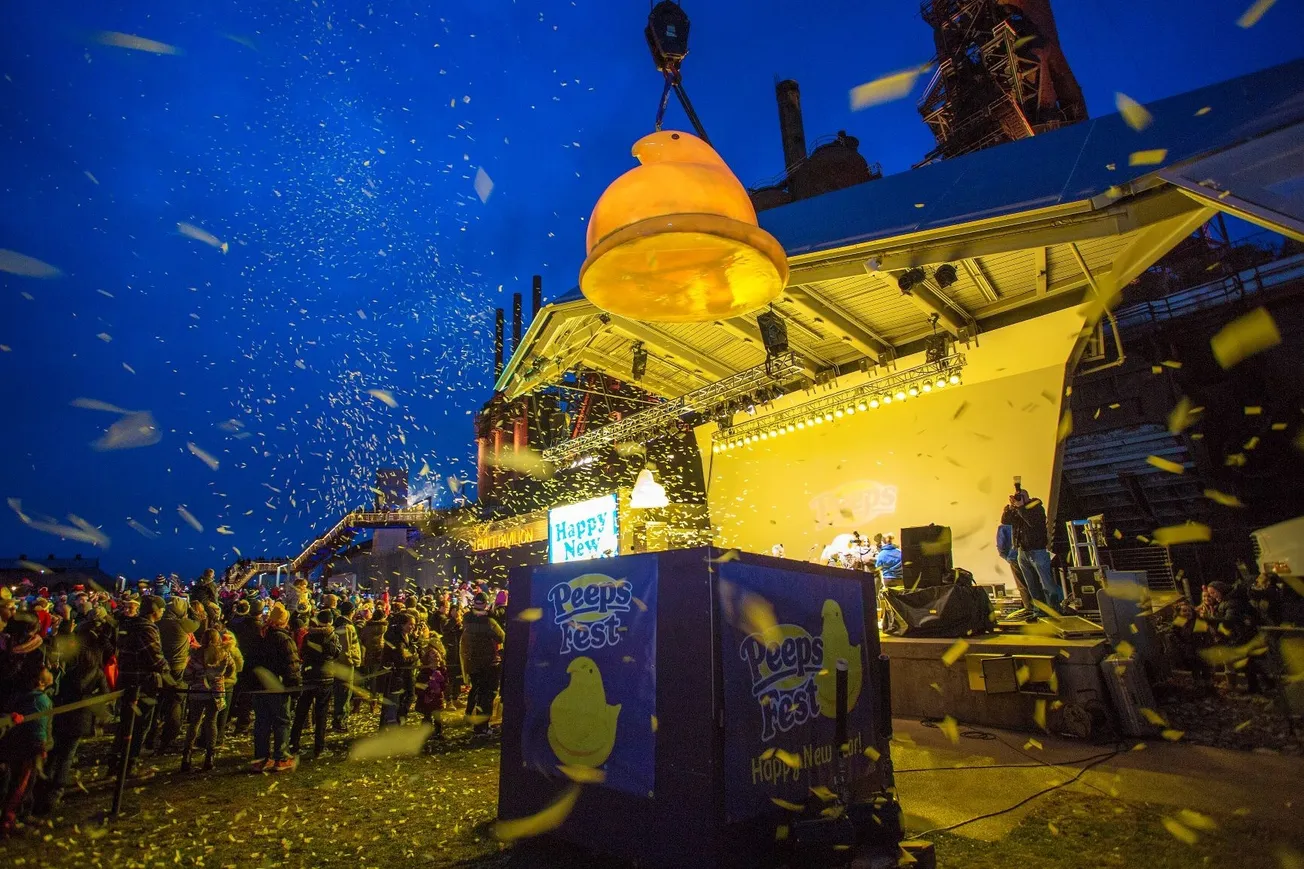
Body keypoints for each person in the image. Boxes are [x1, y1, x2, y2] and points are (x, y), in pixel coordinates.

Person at [114, 595, 170, 772]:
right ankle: (130, 762)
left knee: (126, 722)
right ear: (154, 611)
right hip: (142, 682)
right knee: (138, 725)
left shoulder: (129, 626)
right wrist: (167, 671)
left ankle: (115, 760)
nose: (162, 613)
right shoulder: (147, 629)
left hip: (126, 678)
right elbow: (153, 656)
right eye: (161, 609)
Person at [0, 659, 53, 836]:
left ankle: (21, 813)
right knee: (22, 784)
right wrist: (41, 746)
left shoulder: (21, 696)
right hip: (30, 748)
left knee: (24, 783)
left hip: (19, 745)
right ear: (39, 681)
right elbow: (39, 727)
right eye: (47, 671)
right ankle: (9, 820)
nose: (50, 672)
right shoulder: (40, 701)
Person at [250, 603, 300, 772]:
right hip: (277, 686)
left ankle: (261, 758)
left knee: (262, 722)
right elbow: (291, 665)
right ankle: (281, 757)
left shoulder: (260, 636)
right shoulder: (283, 639)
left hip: (259, 686)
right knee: (281, 721)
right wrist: (294, 686)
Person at [148, 598, 199, 755]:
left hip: (157, 666)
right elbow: (197, 622)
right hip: (177, 668)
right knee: (175, 703)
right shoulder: (182, 625)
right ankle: (168, 738)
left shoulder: (157, 624)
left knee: (154, 703)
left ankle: (150, 736)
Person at [289, 610, 341, 760]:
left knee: (301, 711)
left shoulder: (308, 635)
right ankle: (319, 747)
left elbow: (303, 652)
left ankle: (293, 744)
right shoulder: (332, 636)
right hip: (325, 676)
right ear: (330, 622)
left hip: (309, 675)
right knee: (321, 714)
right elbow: (335, 653)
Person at [181, 629, 234, 772]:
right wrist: (219, 678)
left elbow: (187, 675)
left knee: (194, 723)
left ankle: (186, 756)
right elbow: (231, 669)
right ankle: (209, 757)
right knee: (211, 722)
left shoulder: (196, 655)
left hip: (198, 691)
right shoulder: (224, 654)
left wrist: (195, 680)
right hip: (215, 692)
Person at [1009, 488, 1064, 613]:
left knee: (1046, 583)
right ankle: (1039, 610)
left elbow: (1032, 522)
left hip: (1037, 551)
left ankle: (1054, 608)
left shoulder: (1037, 508)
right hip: (1022, 552)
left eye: (1020, 497)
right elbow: (1006, 521)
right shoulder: (1018, 510)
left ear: (1026, 497)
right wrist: (1011, 508)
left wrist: (1021, 507)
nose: (1018, 499)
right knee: (1031, 584)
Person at [460, 593, 505, 735]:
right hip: (489, 663)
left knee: (478, 692)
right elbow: (501, 636)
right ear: (486, 604)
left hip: (472, 662)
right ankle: (482, 727)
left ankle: (476, 723)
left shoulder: (467, 619)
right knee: (488, 695)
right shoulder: (489, 622)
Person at [998, 503, 1043, 619]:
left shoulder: (1006, 526)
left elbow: (1001, 546)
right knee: (1034, 583)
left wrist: (1008, 557)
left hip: (1018, 557)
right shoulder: (1023, 522)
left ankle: (1030, 608)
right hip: (1026, 555)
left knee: (1023, 585)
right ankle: (1038, 608)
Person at [226, 599, 260, 736]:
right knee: (246, 694)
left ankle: (225, 719)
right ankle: (242, 723)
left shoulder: (231, 623)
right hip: (248, 661)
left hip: (234, 659)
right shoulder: (255, 626)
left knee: (232, 692)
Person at [380, 613, 418, 727]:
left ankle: (399, 719)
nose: (412, 627)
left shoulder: (406, 636)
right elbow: (401, 659)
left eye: (414, 624)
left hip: (405, 673)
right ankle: (395, 722)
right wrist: (415, 656)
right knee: (396, 700)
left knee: (408, 696)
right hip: (397, 674)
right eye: (410, 624)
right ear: (402, 624)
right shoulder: (396, 639)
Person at [331, 600, 362, 733]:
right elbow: (345, 648)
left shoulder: (339, 624)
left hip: (342, 664)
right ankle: (340, 721)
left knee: (342, 693)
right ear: (352, 611)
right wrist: (351, 661)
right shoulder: (347, 627)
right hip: (345, 665)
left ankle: (340, 719)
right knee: (344, 693)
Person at [414, 632, 447, 747]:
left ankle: (438, 732)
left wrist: (441, 687)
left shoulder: (442, 669)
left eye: (437, 654)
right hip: (427, 697)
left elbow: (445, 683)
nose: (436, 656)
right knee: (427, 715)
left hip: (437, 697)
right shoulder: (425, 671)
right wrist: (426, 690)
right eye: (433, 654)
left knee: (437, 716)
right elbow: (419, 685)